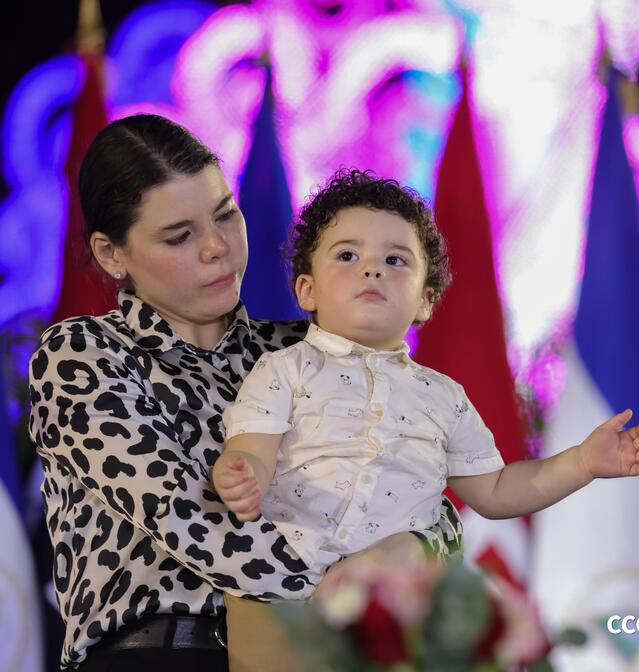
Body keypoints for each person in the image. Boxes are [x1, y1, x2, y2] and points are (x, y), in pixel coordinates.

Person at [28, 115, 463, 672]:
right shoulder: (84, 354)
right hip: (165, 653)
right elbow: (195, 522)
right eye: (179, 236)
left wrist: (416, 545)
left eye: (225, 214)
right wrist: (355, 585)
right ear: (112, 254)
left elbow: (428, 503)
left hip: (322, 651)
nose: (217, 247)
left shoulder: (305, 352)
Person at [212, 169, 639, 669]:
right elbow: (253, 448)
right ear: (307, 290)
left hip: (392, 617)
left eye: (395, 260)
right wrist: (241, 474)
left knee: (409, 562)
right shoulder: (283, 370)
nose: (372, 270)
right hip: (283, 595)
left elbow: (496, 489)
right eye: (348, 256)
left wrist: (581, 463)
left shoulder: (443, 397)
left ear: (425, 300)